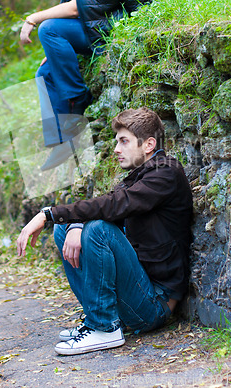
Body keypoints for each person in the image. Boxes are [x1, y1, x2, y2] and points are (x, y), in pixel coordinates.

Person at [17, 107, 193, 356]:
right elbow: (109, 203)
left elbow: (112, 206)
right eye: (116, 141)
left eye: (124, 141)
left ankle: (105, 327)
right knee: (64, 229)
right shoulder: (139, 175)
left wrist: (47, 213)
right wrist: (74, 224)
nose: (116, 149)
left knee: (98, 230)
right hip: (136, 293)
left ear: (149, 144)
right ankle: (98, 317)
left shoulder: (165, 174)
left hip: (154, 304)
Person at [19, 0, 151, 169]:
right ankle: (62, 142)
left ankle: (78, 97)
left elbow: (142, 4)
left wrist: (33, 19)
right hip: (88, 33)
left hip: (105, 34)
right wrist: (56, 50)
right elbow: (67, 5)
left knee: (46, 27)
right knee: (44, 73)